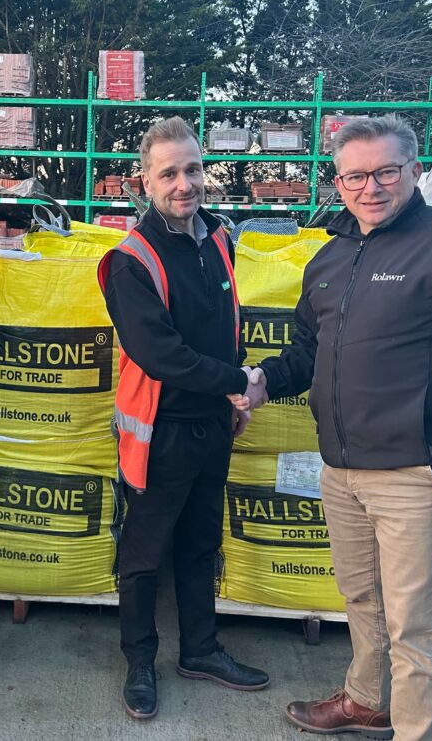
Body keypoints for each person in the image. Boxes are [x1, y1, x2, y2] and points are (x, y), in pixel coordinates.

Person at [241, 115, 432, 741]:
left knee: (416, 624)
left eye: (384, 172)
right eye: (354, 175)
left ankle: (418, 731)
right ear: (338, 181)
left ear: (415, 170)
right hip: (342, 470)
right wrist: (263, 379)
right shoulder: (330, 257)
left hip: (416, 473)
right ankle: (367, 703)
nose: (369, 187)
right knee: (363, 603)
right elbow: (305, 354)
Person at [97, 116, 270, 721]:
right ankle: (139, 661)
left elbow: (226, 328)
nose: (183, 183)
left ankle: (200, 650)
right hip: (160, 433)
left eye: (192, 169)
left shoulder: (218, 237)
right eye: (168, 173)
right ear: (144, 182)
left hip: (212, 428)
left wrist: (233, 395)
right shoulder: (131, 260)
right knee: (144, 555)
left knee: (200, 546)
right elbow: (158, 351)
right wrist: (238, 385)